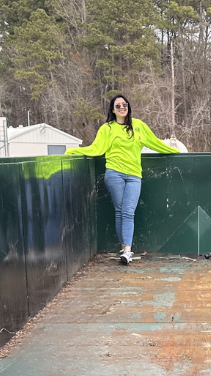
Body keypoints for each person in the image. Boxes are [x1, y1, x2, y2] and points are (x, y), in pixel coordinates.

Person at [66, 95, 180, 264]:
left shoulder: (138, 126)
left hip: (134, 176)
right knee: (120, 211)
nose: (121, 107)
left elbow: (154, 142)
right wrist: (75, 151)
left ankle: (126, 250)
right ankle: (126, 250)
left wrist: (174, 151)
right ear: (113, 109)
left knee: (127, 211)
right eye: (117, 105)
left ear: (128, 107)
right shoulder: (107, 129)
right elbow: (97, 148)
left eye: (124, 104)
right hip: (114, 174)